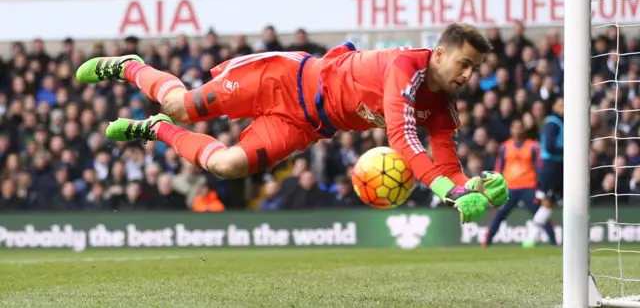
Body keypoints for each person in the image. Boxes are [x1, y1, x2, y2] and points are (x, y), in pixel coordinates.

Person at [75, 23, 509, 222]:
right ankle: (132, 67)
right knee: (181, 106)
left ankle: (153, 131)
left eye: (474, 68)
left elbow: (448, 162)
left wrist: (470, 187)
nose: (469, 75)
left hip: (306, 125)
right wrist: (448, 191)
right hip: (282, 79)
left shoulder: (444, 106)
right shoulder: (404, 67)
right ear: (439, 54)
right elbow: (401, 135)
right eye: (464, 64)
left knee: (228, 165)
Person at [481, 119, 557, 247]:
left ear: (524, 129)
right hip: (510, 187)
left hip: (528, 187)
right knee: (499, 215)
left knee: (540, 213)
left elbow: (538, 167)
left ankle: (554, 242)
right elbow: (499, 167)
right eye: (514, 127)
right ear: (511, 130)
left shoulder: (532, 146)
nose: (517, 130)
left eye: (519, 127)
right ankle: (486, 243)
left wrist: (540, 186)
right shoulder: (505, 147)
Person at [523, 96, 564, 247]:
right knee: (547, 202)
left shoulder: (561, 122)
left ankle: (535, 237)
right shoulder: (552, 123)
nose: (564, 107)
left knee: (551, 203)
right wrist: (571, 149)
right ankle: (531, 238)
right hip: (552, 167)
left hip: (559, 166)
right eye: (560, 104)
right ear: (554, 106)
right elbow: (550, 147)